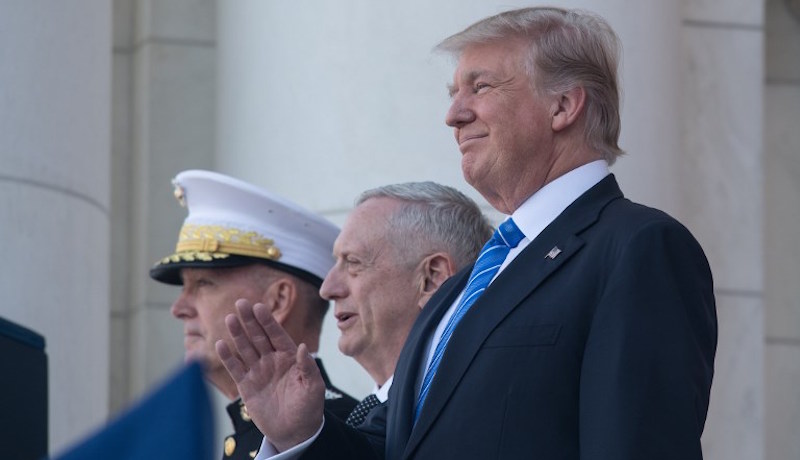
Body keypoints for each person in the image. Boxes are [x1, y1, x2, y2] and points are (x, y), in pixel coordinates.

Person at [218, 7, 717, 460]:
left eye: (480, 88)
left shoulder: (637, 247)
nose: (453, 115)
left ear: (563, 106)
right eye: (453, 93)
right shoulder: (464, 287)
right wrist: (301, 435)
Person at [149, 170, 358, 460]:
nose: (178, 308)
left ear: (278, 300)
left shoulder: (338, 430)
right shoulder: (250, 436)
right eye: (185, 288)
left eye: (203, 284)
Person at [319, 182, 492, 427]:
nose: (328, 289)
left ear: (432, 278)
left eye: (354, 262)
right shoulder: (368, 415)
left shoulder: (471, 413)